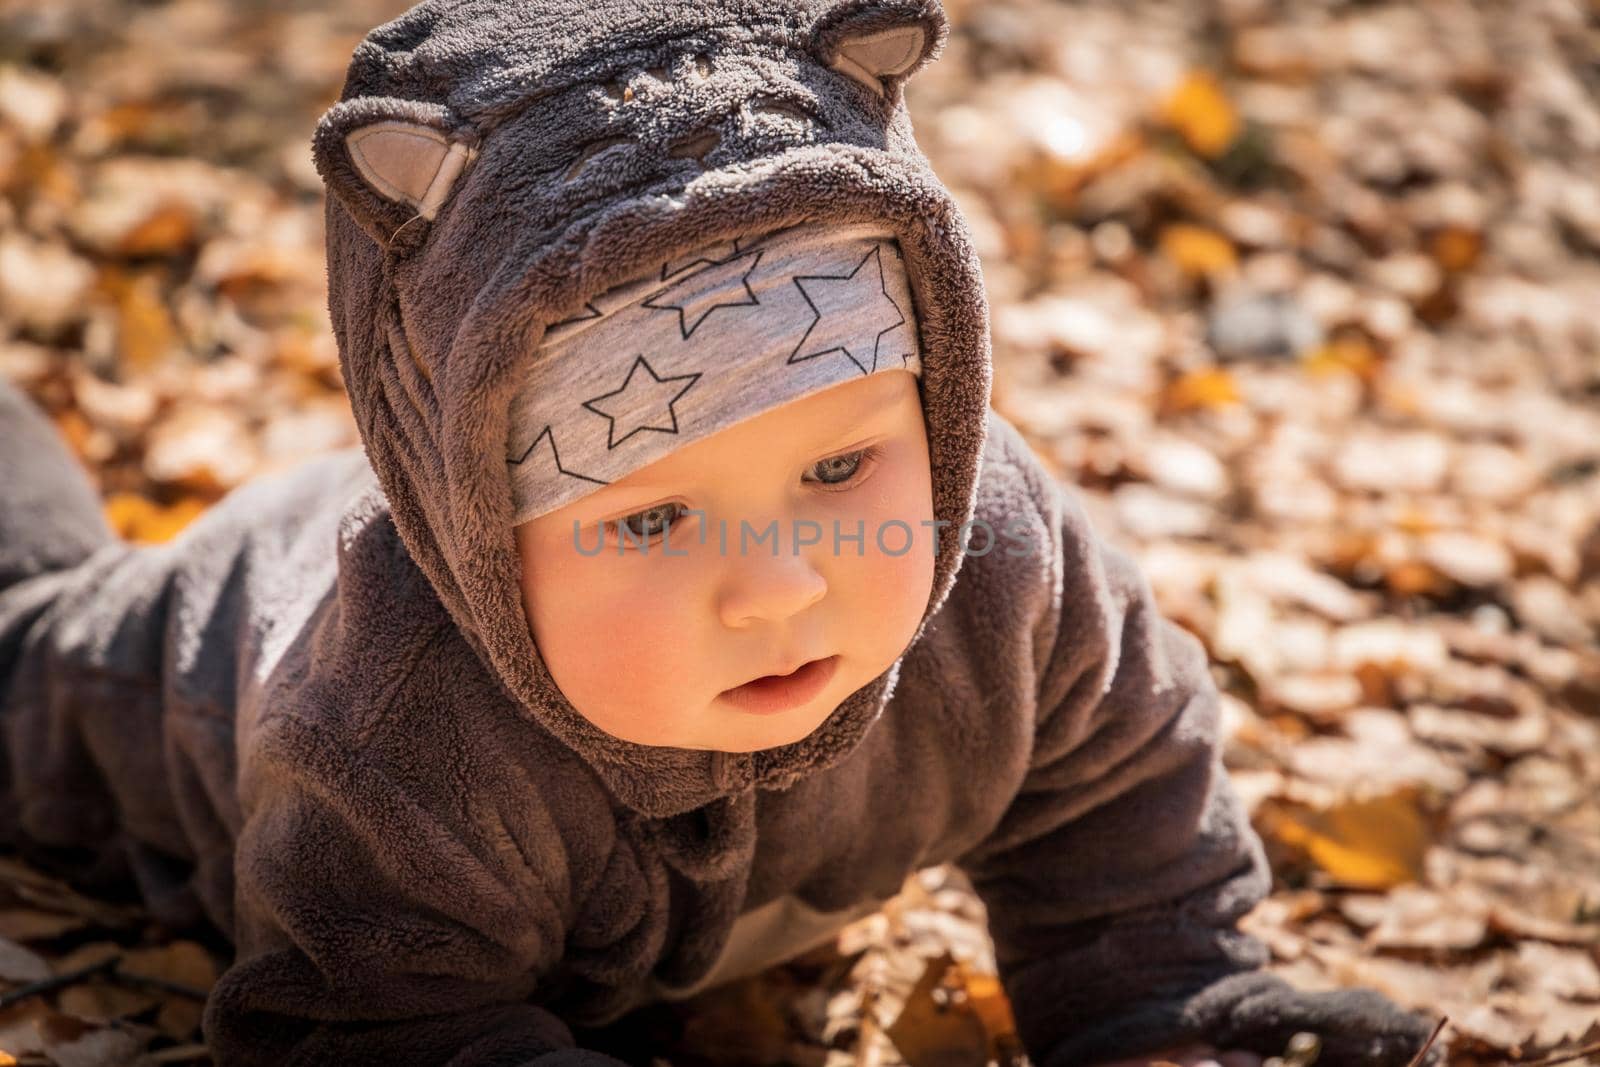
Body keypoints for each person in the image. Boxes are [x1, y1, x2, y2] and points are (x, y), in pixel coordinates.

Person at [0, 1, 1443, 1064]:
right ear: (480, 539)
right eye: (654, 515)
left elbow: (1119, 793)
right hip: (187, 656)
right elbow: (378, 1024)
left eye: (838, 470)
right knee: (29, 651)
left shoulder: (999, 574)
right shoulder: (391, 730)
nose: (778, 587)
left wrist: (1161, 1009)